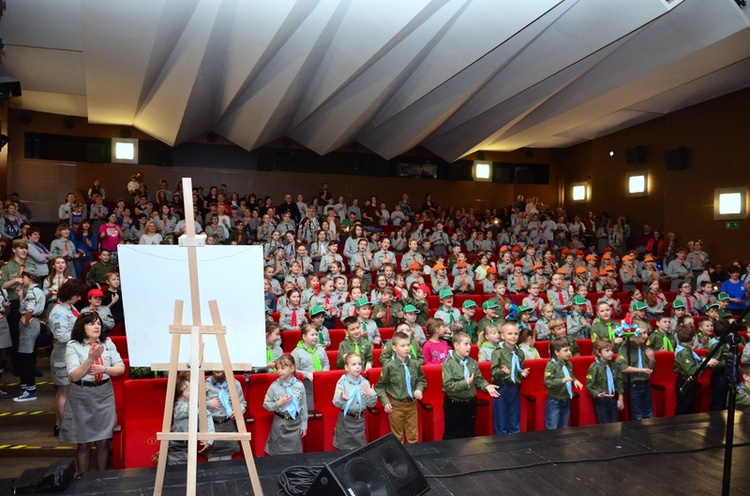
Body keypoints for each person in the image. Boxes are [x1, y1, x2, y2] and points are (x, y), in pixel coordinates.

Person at [60, 313, 125, 471]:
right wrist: (90, 359)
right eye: (91, 324)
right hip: (82, 395)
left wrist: (104, 369)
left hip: (104, 394)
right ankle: (84, 480)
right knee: (83, 443)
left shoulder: (107, 342)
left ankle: (100, 478)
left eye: (98, 324)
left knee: (103, 442)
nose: (97, 327)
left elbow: (120, 368)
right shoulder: (73, 345)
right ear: (82, 327)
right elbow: (74, 375)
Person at [442, 331, 499, 439]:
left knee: (469, 432)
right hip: (454, 403)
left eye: (469, 344)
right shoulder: (449, 364)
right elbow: (448, 386)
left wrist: (486, 386)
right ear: (456, 345)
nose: (469, 347)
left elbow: (478, 379)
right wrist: (465, 383)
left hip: (470, 403)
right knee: (452, 433)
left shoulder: (472, 362)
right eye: (466, 344)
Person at [48, 278, 87, 436]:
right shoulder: (59, 312)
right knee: (63, 391)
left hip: (71, 354)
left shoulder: (70, 308)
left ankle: (60, 425)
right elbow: (61, 336)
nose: (79, 298)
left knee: (66, 390)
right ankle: (64, 426)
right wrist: (81, 333)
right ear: (70, 294)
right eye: (77, 295)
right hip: (62, 355)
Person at [374, 331, 427, 444]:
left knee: (413, 436)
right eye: (402, 345)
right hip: (396, 405)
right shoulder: (389, 366)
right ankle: (399, 460)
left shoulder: (415, 364)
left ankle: (412, 459)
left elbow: (421, 380)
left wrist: (419, 389)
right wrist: (385, 401)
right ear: (394, 347)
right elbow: (380, 387)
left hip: (412, 404)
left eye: (408, 345)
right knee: (397, 437)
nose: (406, 348)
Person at [263, 354, 307, 456]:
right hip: (280, 424)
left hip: (295, 425)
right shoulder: (274, 387)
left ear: (292, 368)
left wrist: (304, 425)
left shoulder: (299, 386)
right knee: (277, 453)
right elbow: (266, 404)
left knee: (295, 454)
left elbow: (304, 407)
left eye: (283, 368)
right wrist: (279, 403)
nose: (279, 371)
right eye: (277, 368)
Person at [332, 353, 378, 450]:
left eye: (359, 364)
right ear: (346, 367)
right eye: (353, 364)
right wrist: (341, 397)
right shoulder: (342, 382)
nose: (357, 367)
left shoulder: (365, 382)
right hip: (346, 420)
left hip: (359, 421)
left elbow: (371, 404)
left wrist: (372, 394)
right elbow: (335, 402)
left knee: (359, 448)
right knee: (343, 448)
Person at [13, 270, 46, 403]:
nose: (22, 280)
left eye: (23, 278)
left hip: (29, 325)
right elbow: (27, 306)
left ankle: (30, 390)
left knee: (26, 357)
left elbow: (30, 310)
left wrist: (26, 320)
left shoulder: (33, 292)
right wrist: (21, 296)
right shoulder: (35, 291)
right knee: (26, 356)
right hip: (32, 323)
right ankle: (26, 387)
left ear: (29, 278)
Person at [491, 322, 530, 435]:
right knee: (501, 421)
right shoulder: (497, 352)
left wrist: (522, 373)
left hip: (514, 388)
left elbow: (518, 369)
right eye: (510, 334)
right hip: (501, 388)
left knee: (514, 420)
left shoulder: (520, 352)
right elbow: (493, 372)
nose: (513, 336)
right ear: (503, 336)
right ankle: (501, 448)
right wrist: (502, 372)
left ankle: (514, 446)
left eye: (516, 334)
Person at [167, 372, 215, 465]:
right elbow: (188, 409)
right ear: (181, 394)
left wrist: (209, 440)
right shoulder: (179, 406)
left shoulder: (195, 406)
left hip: (189, 447)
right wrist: (200, 397)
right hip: (176, 449)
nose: (194, 392)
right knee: (176, 472)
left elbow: (207, 416)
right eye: (190, 390)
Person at [674, 324, 717, 415]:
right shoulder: (684, 352)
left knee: (689, 406)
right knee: (684, 407)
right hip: (685, 382)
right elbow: (691, 371)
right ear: (693, 337)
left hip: (687, 381)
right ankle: (681, 427)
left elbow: (694, 360)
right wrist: (706, 363)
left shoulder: (686, 349)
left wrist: (703, 360)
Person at [205, 368, 247, 461]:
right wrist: (208, 403)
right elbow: (196, 405)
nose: (218, 369)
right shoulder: (205, 385)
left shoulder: (235, 384)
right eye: (215, 366)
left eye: (221, 366)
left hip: (229, 425)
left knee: (227, 459)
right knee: (212, 460)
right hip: (212, 426)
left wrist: (238, 410)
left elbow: (242, 403)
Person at [544, 337, 583, 430]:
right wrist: (562, 380)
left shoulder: (568, 364)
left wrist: (575, 380)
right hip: (555, 401)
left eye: (569, 349)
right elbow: (547, 382)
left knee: (564, 427)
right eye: (565, 350)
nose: (569, 352)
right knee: (552, 427)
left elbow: (570, 375)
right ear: (556, 352)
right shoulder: (551, 366)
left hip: (566, 400)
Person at [616, 328, 654, 420]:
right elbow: (623, 368)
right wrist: (642, 370)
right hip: (633, 386)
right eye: (643, 333)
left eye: (647, 333)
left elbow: (651, 368)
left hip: (645, 384)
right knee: (637, 415)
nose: (646, 336)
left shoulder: (644, 348)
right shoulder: (625, 348)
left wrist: (652, 359)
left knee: (649, 414)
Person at [291, 325, 330, 411]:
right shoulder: (296, 352)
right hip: (306, 387)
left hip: (322, 385)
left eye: (316, 334)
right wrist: (306, 374)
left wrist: (323, 373)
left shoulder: (321, 349)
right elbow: (293, 370)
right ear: (304, 337)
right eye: (312, 335)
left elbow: (326, 364)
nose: (315, 337)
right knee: (310, 410)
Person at [586, 338, 624, 424]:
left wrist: (620, 398)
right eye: (607, 351)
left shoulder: (614, 365)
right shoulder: (594, 367)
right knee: (605, 425)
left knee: (616, 424)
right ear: (599, 353)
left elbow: (619, 382)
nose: (611, 353)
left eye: (612, 350)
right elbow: (589, 386)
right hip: (602, 401)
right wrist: (597, 394)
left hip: (613, 398)